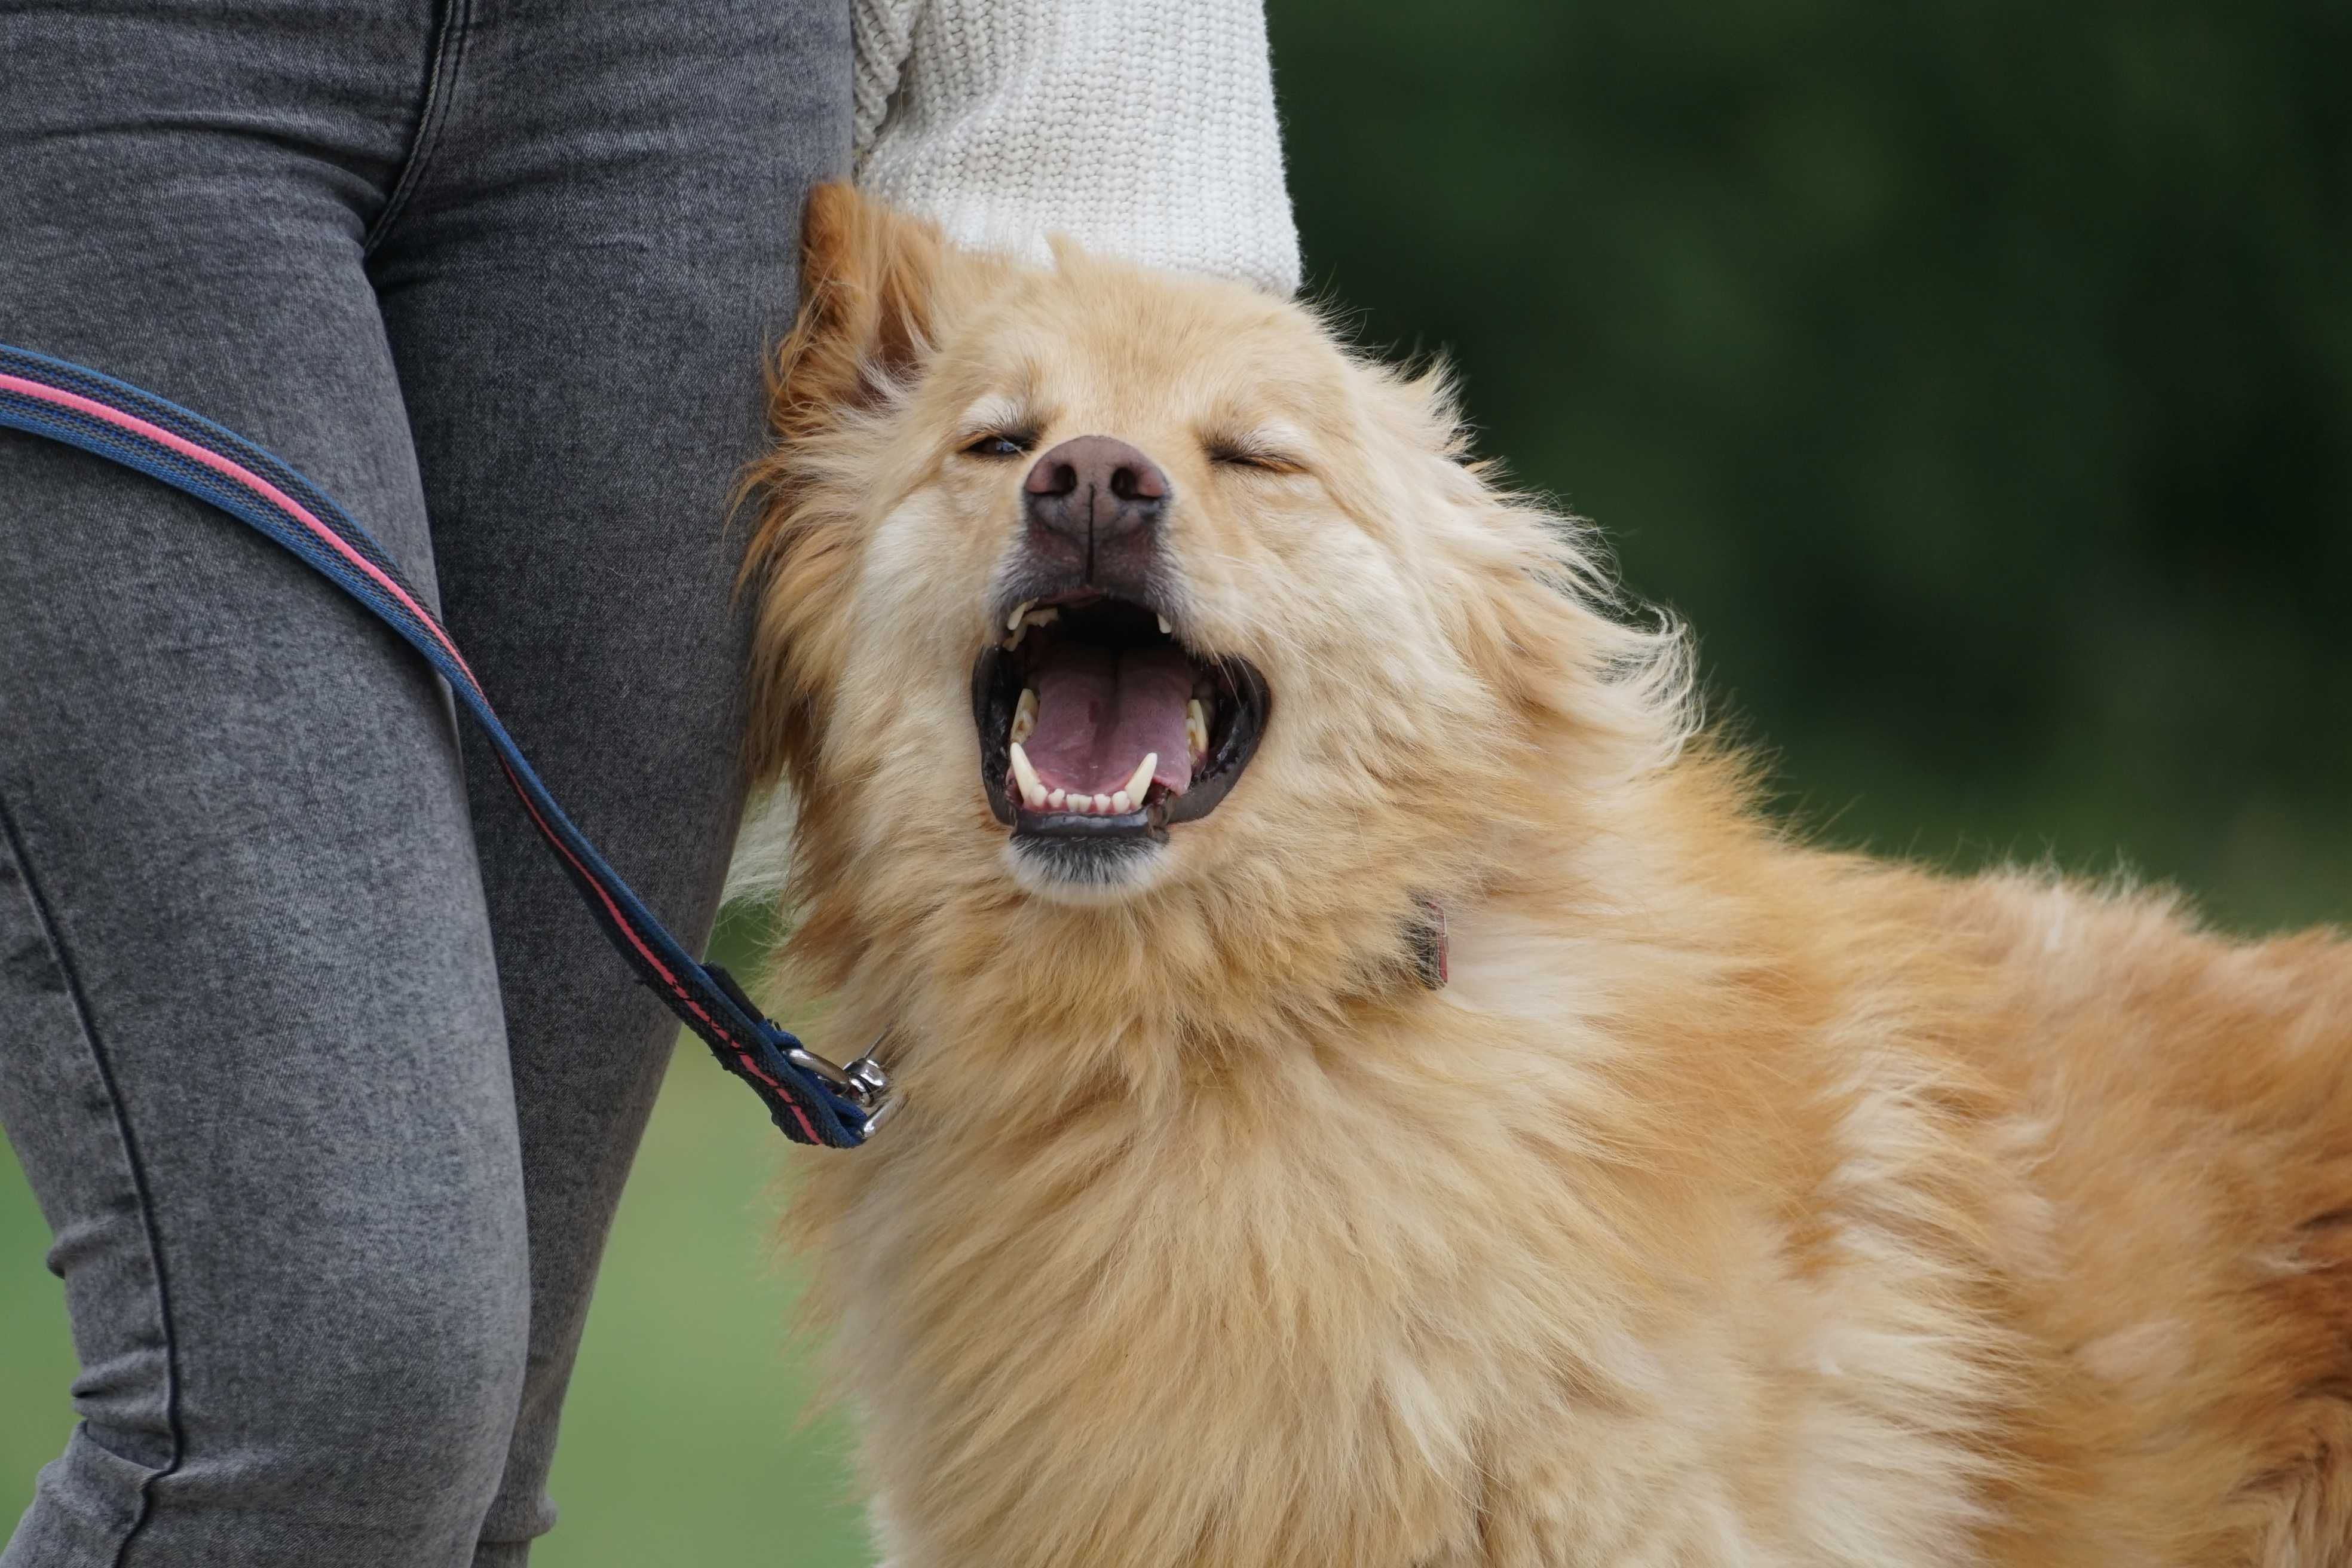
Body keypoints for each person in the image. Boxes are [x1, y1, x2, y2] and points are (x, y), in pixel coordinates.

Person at [0, 0, 1297, 1561]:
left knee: (469, 1476)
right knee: (328, 1418)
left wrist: (1127, 226)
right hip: (107, 81)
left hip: (677, 81)